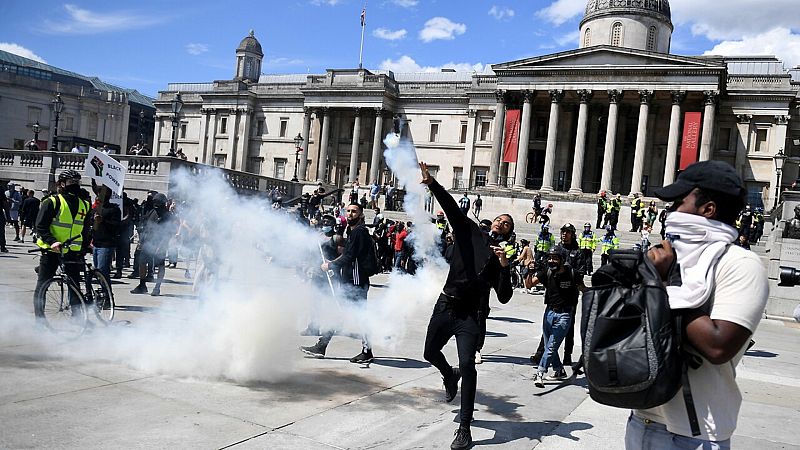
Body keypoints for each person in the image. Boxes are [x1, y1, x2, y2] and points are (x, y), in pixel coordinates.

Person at [626, 160, 769, 449]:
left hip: (697, 433)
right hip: (643, 418)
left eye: (679, 202)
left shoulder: (740, 265)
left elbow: (718, 345)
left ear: (708, 209)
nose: (670, 212)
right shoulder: (667, 257)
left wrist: (664, 285)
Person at [418, 162, 513, 450]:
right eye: (499, 219)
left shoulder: (501, 259)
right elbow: (451, 208)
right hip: (446, 304)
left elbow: (505, 296)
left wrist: (505, 266)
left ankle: (464, 428)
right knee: (429, 352)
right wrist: (433, 184)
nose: (500, 223)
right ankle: (449, 375)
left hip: (471, 314)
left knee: (469, 365)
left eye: (506, 223)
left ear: (509, 234)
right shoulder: (469, 231)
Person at [301, 203, 376, 363]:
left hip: (356, 282)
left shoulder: (359, 232)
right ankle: (322, 346)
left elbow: (350, 257)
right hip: (351, 279)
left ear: (361, 214)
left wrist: (330, 265)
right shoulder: (353, 231)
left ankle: (366, 351)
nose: (350, 214)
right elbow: (348, 255)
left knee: (361, 316)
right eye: (348, 211)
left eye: (354, 211)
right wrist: (333, 262)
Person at [33, 170, 92, 317]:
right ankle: (39, 321)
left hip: (73, 250)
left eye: (77, 182)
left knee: (75, 286)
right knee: (43, 285)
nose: (75, 185)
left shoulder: (84, 204)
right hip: (52, 250)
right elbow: (40, 226)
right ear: (62, 184)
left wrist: (86, 245)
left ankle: (78, 319)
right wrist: (52, 241)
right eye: (72, 182)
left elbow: (84, 228)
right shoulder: (52, 202)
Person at [530, 223, 587, 366]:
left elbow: (580, 272)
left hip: (570, 295)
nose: (564, 234)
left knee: (569, 327)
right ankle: (540, 353)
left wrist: (566, 270)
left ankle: (567, 356)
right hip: (553, 292)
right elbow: (545, 267)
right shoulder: (555, 249)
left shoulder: (577, 252)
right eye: (563, 231)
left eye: (568, 232)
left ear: (572, 234)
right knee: (548, 327)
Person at [528, 245, 584, 387]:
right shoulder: (546, 272)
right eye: (550, 258)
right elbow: (528, 285)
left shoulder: (572, 273)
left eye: (555, 258)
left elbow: (584, 289)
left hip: (565, 314)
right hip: (549, 312)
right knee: (548, 344)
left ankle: (540, 373)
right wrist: (529, 272)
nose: (552, 261)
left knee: (552, 345)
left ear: (562, 259)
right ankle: (559, 371)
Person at [130, 193, 175, 296]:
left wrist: (161, 246)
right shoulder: (152, 212)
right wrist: (141, 241)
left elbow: (169, 233)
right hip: (148, 242)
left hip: (161, 243)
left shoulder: (168, 216)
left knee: (160, 265)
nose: (156, 205)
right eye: (155, 202)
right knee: (142, 262)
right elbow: (146, 227)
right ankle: (142, 285)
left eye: (158, 203)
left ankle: (157, 287)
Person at [90, 182, 121, 286]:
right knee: (97, 271)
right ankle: (101, 291)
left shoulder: (114, 209)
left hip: (106, 244)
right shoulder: (95, 209)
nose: (99, 196)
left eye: (102, 193)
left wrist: (102, 221)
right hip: (96, 243)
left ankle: (107, 295)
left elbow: (116, 226)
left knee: (103, 271)